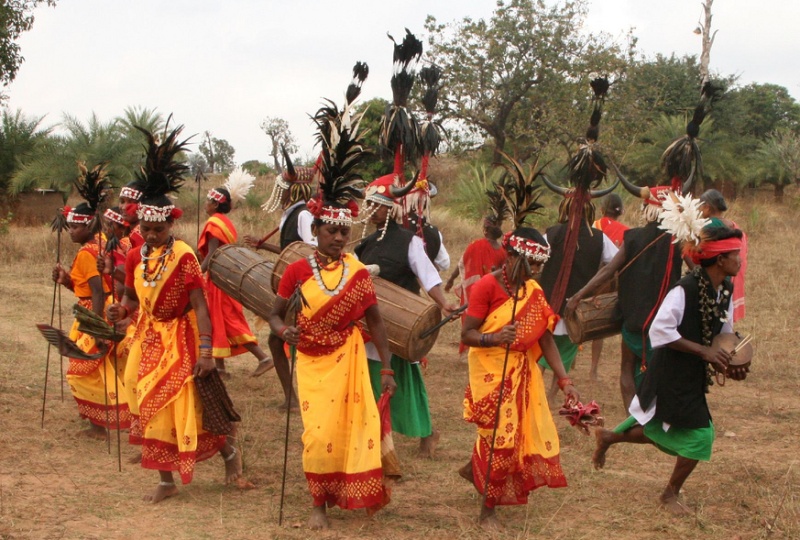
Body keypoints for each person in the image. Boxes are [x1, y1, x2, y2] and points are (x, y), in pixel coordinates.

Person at [268, 96, 397, 530]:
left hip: (348, 358)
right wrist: (283, 330)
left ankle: (341, 497)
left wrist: (387, 370)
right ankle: (317, 504)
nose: (339, 236)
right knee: (317, 435)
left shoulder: (357, 273)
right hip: (309, 358)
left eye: (344, 230)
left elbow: (375, 321)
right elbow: (273, 315)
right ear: (317, 229)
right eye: (331, 229)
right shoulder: (298, 271)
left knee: (350, 430)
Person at [107, 123, 242, 503]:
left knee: (184, 406)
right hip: (148, 335)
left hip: (181, 337)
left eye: (158, 228)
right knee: (140, 393)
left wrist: (205, 353)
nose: (150, 234)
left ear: (171, 223)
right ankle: (165, 477)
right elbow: (132, 299)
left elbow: (200, 306)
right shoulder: (135, 255)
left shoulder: (183, 256)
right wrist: (121, 310)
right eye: (146, 228)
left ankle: (227, 454)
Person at [592, 226, 747, 515]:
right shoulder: (685, 289)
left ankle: (609, 437)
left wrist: (733, 360)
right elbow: (660, 331)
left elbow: (723, 333)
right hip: (669, 373)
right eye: (735, 254)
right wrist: (704, 352)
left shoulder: (724, 288)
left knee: (662, 427)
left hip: (692, 374)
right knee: (701, 436)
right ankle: (669, 494)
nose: (740, 260)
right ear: (720, 260)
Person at [459, 226, 579, 530]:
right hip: (491, 370)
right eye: (531, 263)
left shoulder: (533, 291)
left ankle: (477, 470)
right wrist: (496, 337)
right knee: (499, 438)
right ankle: (487, 512)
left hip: (522, 373)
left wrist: (565, 381)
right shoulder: (487, 286)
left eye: (540, 265)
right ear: (510, 256)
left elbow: (546, 338)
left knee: (506, 438)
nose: (537, 271)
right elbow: (468, 334)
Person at [356, 174, 458, 459]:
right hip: (368, 323)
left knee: (407, 384)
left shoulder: (408, 241)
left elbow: (428, 275)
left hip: (400, 325)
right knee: (369, 378)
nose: (370, 210)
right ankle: (375, 434)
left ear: (390, 208)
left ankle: (428, 432)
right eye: (369, 204)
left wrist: (444, 303)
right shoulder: (365, 244)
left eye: (376, 205)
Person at [567, 184, 683, 410]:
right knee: (663, 367)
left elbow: (608, 271)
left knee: (627, 368)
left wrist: (579, 295)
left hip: (632, 315)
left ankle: (634, 417)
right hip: (666, 318)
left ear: (646, 208)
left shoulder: (633, 237)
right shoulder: (677, 241)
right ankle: (657, 412)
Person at [52, 162, 130, 439]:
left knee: (81, 368)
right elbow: (88, 287)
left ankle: (100, 425)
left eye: (74, 227)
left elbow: (97, 291)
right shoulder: (103, 241)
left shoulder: (89, 251)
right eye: (70, 226)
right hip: (108, 308)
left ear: (86, 227)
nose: (71, 231)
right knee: (105, 366)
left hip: (95, 312)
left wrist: (95, 328)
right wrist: (67, 280)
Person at [243, 153, 316, 410]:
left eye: (282, 188)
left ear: (293, 191)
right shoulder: (293, 214)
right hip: (293, 285)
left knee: (279, 340)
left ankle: (297, 399)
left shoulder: (304, 215)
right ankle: (293, 398)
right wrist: (264, 246)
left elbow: (311, 250)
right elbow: (291, 250)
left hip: (305, 290)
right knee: (277, 340)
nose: (279, 192)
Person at [198, 169, 273, 379]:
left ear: (215, 204)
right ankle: (220, 368)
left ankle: (263, 358)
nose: (205, 204)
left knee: (228, 320)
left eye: (208, 201)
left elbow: (212, 254)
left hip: (218, 278)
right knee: (216, 321)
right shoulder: (224, 222)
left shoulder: (214, 224)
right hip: (222, 276)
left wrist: (197, 273)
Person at [699, 189, 748, 322]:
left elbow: (698, 253)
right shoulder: (732, 225)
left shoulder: (707, 225)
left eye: (700, 207)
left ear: (707, 207)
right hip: (729, 278)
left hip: (713, 279)